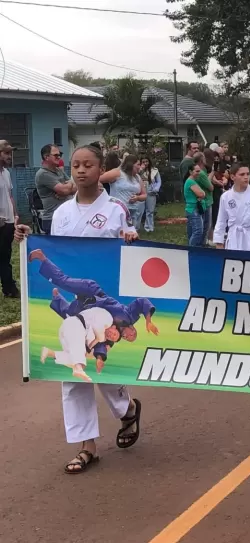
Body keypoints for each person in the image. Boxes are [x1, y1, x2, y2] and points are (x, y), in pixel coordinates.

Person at [14, 144, 143, 474]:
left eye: (89, 164)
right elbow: (57, 252)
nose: (82, 170)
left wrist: (131, 238)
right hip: (76, 308)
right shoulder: (61, 214)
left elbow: (130, 249)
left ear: (101, 169)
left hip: (103, 302)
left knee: (105, 370)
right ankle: (87, 447)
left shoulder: (115, 209)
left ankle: (127, 410)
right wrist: (30, 240)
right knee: (74, 373)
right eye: (76, 165)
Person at [214, 162, 250, 251]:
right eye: (242, 174)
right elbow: (221, 221)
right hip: (234, 238)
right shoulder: (226, 196)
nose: (246, 177)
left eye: (248, 174)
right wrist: (219, 242)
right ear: (232, 177)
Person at [35, 144, 76, 234]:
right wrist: (68, 187)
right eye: (56, 155)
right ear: (46, 157)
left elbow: (76, 188)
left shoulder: (59, 170)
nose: (59, 157)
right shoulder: (43, 174)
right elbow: (65, 190)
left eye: (59, 154)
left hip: (67, 217)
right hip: (52, 219)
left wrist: (67, 187)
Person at [100, 154, 146, 225]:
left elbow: (144, 195)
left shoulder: (137, 177)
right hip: (117, 211)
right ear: (131, 164)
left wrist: (138, 198)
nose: (139, 167)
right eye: (138, 164)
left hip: (133, 212)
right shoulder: (118, 173)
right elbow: (98, 179)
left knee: (130, 234)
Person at [0, 140, 19, 298]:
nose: (9, 156)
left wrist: (15, 215)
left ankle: (9, 288)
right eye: (6, 153)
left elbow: (10, 196)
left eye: (10, 153)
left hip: (8, 222)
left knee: (5, 256)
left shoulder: (6, 173)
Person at [183, 164, 208, 247]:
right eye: (197, 171)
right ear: (190, 172)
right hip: (193, 210)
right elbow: (201, 194)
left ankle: (190, 249)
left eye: (199, 171)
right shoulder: (191, 182)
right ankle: (193, 249)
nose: (199, 173)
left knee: (192, 232)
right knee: (198, 231)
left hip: (191, 209)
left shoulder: (191, 181)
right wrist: (203, 193)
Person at [139, 158, 161, 232]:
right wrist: (141, 169)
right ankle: (137, 227)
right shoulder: (138, 170)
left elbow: (159, 181)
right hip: (140, 189)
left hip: (151, 189)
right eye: (143, 162)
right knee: (139, 209)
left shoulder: (154, 170)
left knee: (150, 210)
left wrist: (156, 188)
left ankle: (149, 228)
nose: (145, 163)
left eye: (147, 161)